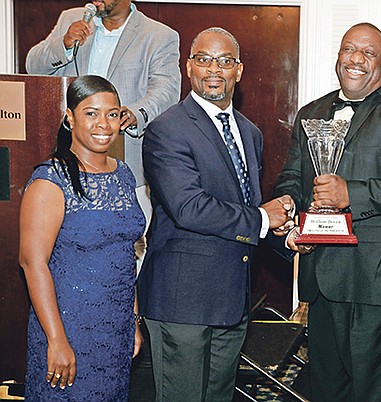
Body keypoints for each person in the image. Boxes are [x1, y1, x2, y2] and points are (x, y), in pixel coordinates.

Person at [274, 22, 381, 401]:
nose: (356, 59)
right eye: (349, 49)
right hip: (321, 285)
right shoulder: (310, 113)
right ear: (338, 57)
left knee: (380, 395)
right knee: (327, 393)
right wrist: (290, 223)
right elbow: (292, 179)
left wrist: (351, 193)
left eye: (367, 53)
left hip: (380, 283)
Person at [137, 27, 294, 401]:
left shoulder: (250, 132)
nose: (214, 69)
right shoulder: (166, 129)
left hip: (231, 301)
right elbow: (188, 208)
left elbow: (247, 207)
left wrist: (286, 238)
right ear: (188, 66)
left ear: (238, 71)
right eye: (204, 59)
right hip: (183, 301)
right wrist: (262, 220)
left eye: (225, 61)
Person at [19, 75, 145, 401]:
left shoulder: (124, 174)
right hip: (68, 327)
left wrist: (132, 320)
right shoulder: (51, 179)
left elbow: (124, 255)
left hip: (115, 329)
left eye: (113, 113)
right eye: (91, 113)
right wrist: (56, 339)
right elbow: (33, 264)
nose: (103, 123)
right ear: (70, 117)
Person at [26, 0, 181, 188]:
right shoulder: (71, 19)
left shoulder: (159, 36)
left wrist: (136, 113)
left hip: (125, 158)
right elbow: (33, 66)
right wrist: (64, 45)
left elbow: (167, 89)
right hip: (71, 159)